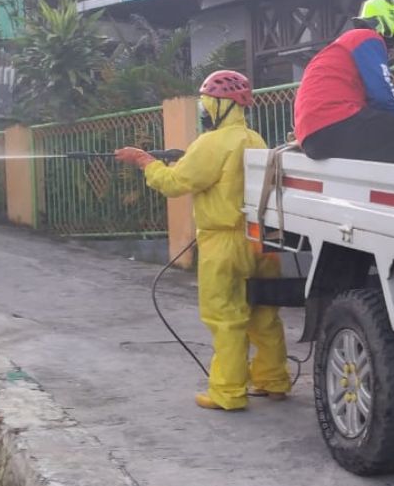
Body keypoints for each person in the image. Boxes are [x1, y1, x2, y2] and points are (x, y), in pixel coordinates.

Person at [115, 70, 290, 411]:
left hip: (223, 244)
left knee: (225, 318)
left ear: (220, 105)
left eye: (207, 104)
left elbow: (175, 183)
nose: (204, 111)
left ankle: (228, 393)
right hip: (260, 241)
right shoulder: (254, 138)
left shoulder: (212, 142)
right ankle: (273, 381)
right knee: (264, 314)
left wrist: (145, 161)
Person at [294, 0, 394, 169]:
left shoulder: (343, 46)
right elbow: (382, 96)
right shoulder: (367, 37)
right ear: (390, 26)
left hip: (314, 136)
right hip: (335, 123)